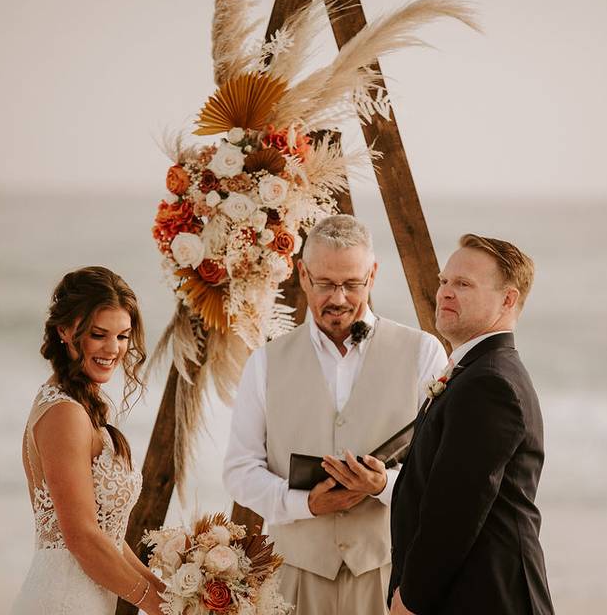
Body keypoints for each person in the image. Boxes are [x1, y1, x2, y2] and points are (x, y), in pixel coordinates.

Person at [223, 215, 447, 615]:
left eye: (351, 284)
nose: (339, 299)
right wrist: (304, 504)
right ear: (303, 275)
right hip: (292, 577)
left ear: (372, 275)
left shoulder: (424, 352)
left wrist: (384, 486)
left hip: (388, 575)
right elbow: (239, 470)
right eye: (325, 284)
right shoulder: (265, 363)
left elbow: (441, 476)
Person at [388, 234, 554, 614]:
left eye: (463, 284)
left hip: (488, 597)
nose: (444, 292)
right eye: (445, 281)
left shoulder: (490, 384)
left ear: (508, 300)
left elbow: (454, 511)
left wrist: (410, 597)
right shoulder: (475, 372)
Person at [10, 266, 166, 615]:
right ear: (64, 330)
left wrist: (174, 597)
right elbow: (81, 538)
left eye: (123, 336)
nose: (114, 348)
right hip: (62, 602)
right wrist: (155, 604)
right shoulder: (64, 413)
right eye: (99, 334)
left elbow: (106, 536)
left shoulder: (79, 405)